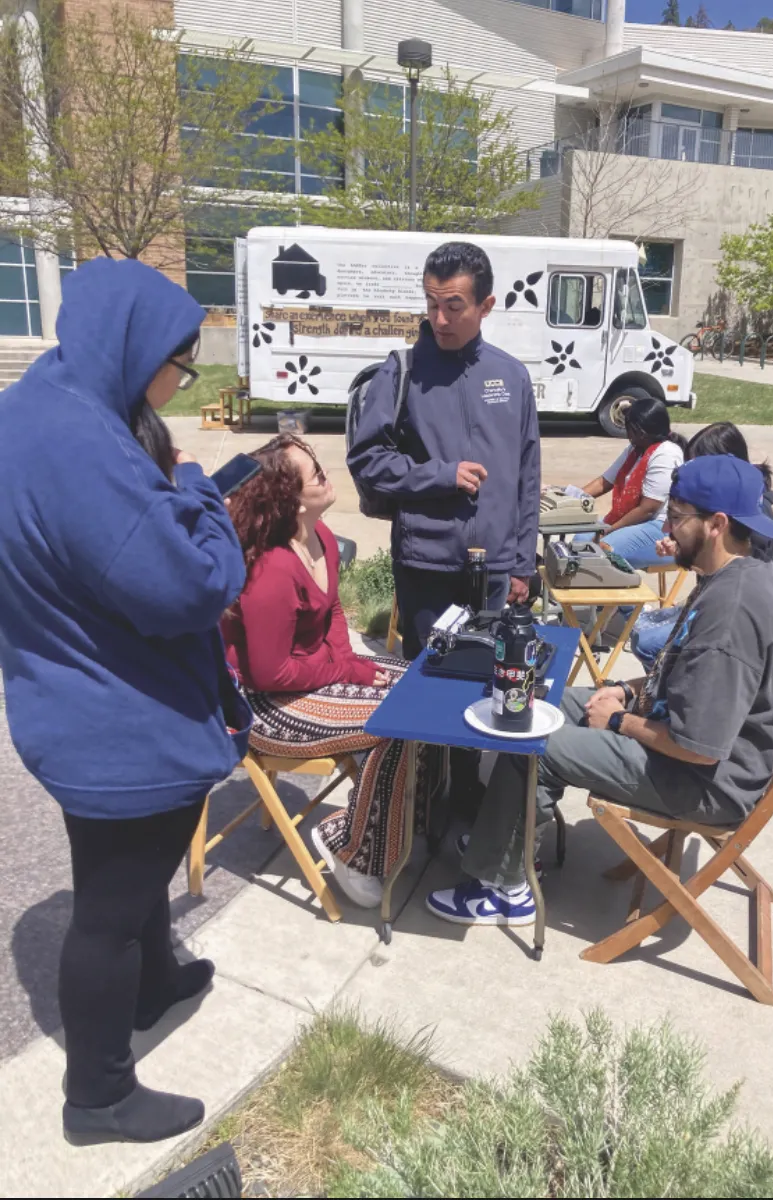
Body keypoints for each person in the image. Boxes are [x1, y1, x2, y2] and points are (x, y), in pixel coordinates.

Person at [0, 258, 250, 1143]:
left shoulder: (37, 405)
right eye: (179, 366)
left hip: (72, 698)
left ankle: (155, 983)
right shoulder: (83, 447)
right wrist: (199, 493)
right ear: (139, 348)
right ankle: (97, 1097)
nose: (178, 383)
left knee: (132, 876)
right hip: (118, 724)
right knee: (105, 915)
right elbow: (194, 586)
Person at [426, 456, 773, 926]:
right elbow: (686, 674)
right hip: (686, 740)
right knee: (539, 701)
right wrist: (623, 689)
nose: (667, 525)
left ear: (716, 524)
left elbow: (699, 748)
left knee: (538, 744)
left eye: (678, 516)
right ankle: (504, 839)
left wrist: (620, 721)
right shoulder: (741, 573)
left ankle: (504, 885)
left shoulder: (732, 614)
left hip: (704, 782)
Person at [347, 240, 541, 808]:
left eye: (454, 305)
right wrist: (440, 476)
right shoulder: (402, 371)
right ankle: (419, 803)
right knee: (430, 689)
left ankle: (467, 803)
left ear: (487, 305)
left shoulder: (511, 376)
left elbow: (528, 474)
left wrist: (523, 562)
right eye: (431, 303)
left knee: (489, 687)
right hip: (427, 563)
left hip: (497, 568)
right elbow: (368, 462)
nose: (439, 319)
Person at [222, 434, 423, 909]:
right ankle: (348, 846)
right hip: (263, 705)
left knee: (424, 688)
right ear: (285, 496)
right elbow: (271, 672)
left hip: (309, 675)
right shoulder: (271, 569)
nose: (322, 470)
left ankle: (407, 822)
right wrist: (343, 668)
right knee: (397, 726)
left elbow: (332, 611)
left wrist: (344, 665)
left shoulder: (322, 537)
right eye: (311, 469)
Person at [631, 421, 773, 669]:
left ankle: (659, 686)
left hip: (729, 613)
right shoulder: (732, 513)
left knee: (649, 642)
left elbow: (733, 577)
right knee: (641, 630)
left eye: (697, 466)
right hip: (714, 600)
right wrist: (683, 548)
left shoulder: (752, 519)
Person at [575, 396, 686, 569]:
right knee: (580, 540)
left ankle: (611, 594)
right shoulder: (635, 450)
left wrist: (609, 530)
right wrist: (569, 500)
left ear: (639, 431)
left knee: (600, 553)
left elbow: (647, 510)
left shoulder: (666, 453)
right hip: (636, 522)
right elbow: (604, 482)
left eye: (628, 429)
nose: (627, 434)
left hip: (660, 527)